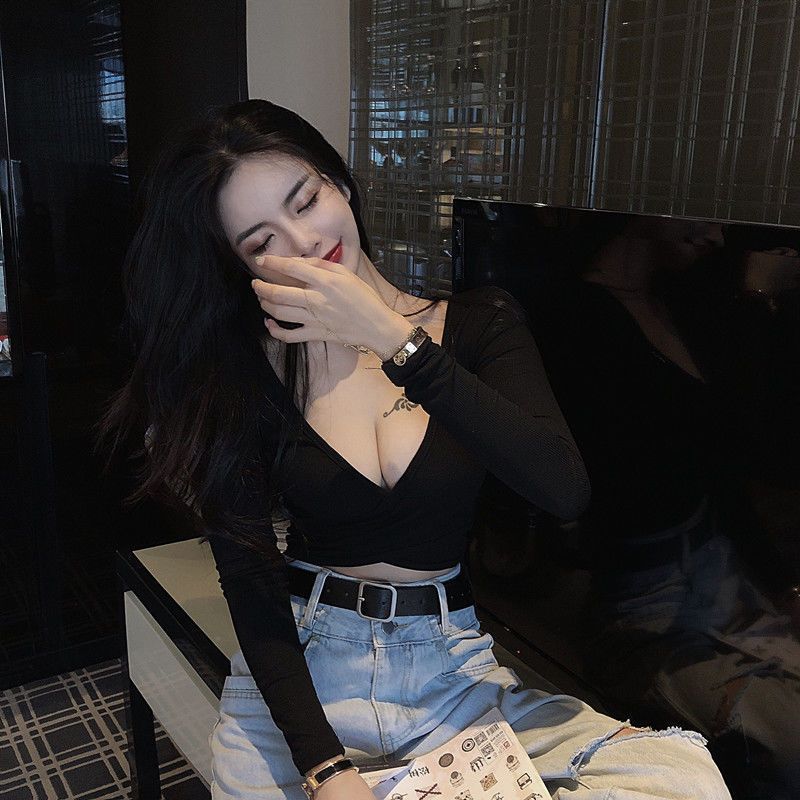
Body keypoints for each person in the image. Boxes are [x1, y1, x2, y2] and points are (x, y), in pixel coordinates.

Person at [98, 100, 730, 799]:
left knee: (680, 779)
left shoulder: (479, 325)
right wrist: (325, 769)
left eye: (306, 201)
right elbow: (249, 582)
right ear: (245, 268)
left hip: (450, 674)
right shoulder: (246, 370)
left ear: (340, 183)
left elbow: (561, 487)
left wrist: (390, 336)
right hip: (305, 676)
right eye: (262, 242)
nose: (305, 242)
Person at [529, 215, 800, 799]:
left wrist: (780, 584)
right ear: (643, 200)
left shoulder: (680, 302)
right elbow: (626, 485)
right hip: (644, 607)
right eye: (703, 211)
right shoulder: (570, 318)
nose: (717, 236)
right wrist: (752, 300)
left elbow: (743, 462)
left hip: (723, 576)